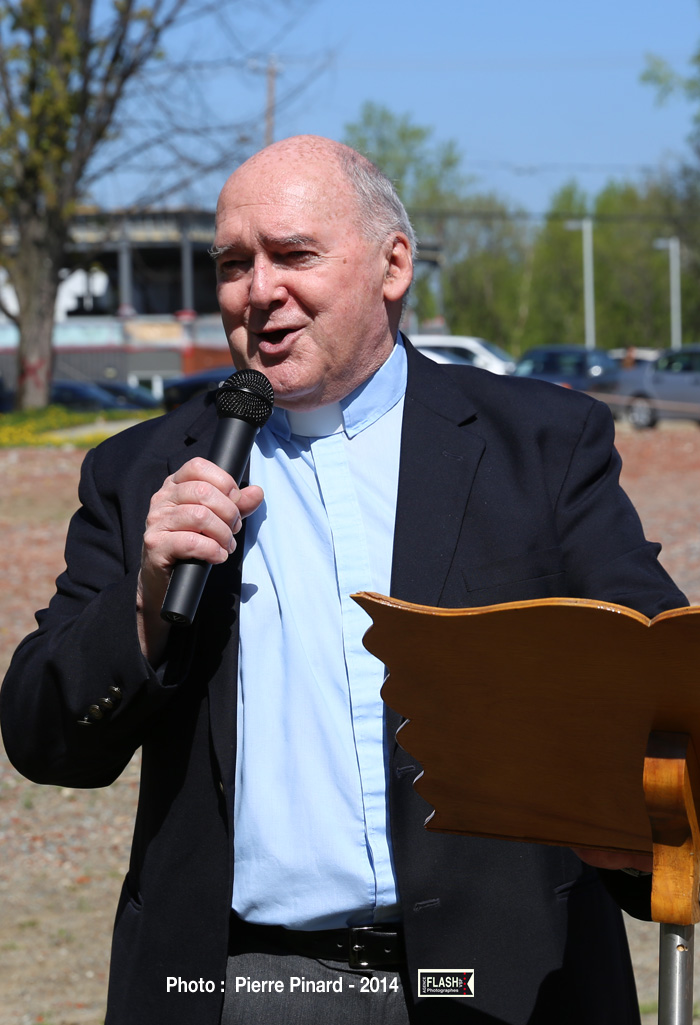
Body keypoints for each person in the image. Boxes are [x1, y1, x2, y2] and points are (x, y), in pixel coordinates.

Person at [0, 136, 686, 1025]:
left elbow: (657, 679)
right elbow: (43, 736)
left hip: (496, 984)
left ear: (393, 264)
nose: (258, 291)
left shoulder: (543, 448)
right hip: (241, 984)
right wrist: (143, 610)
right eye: (234, 264)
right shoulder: (146, 475)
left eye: (293, 254)